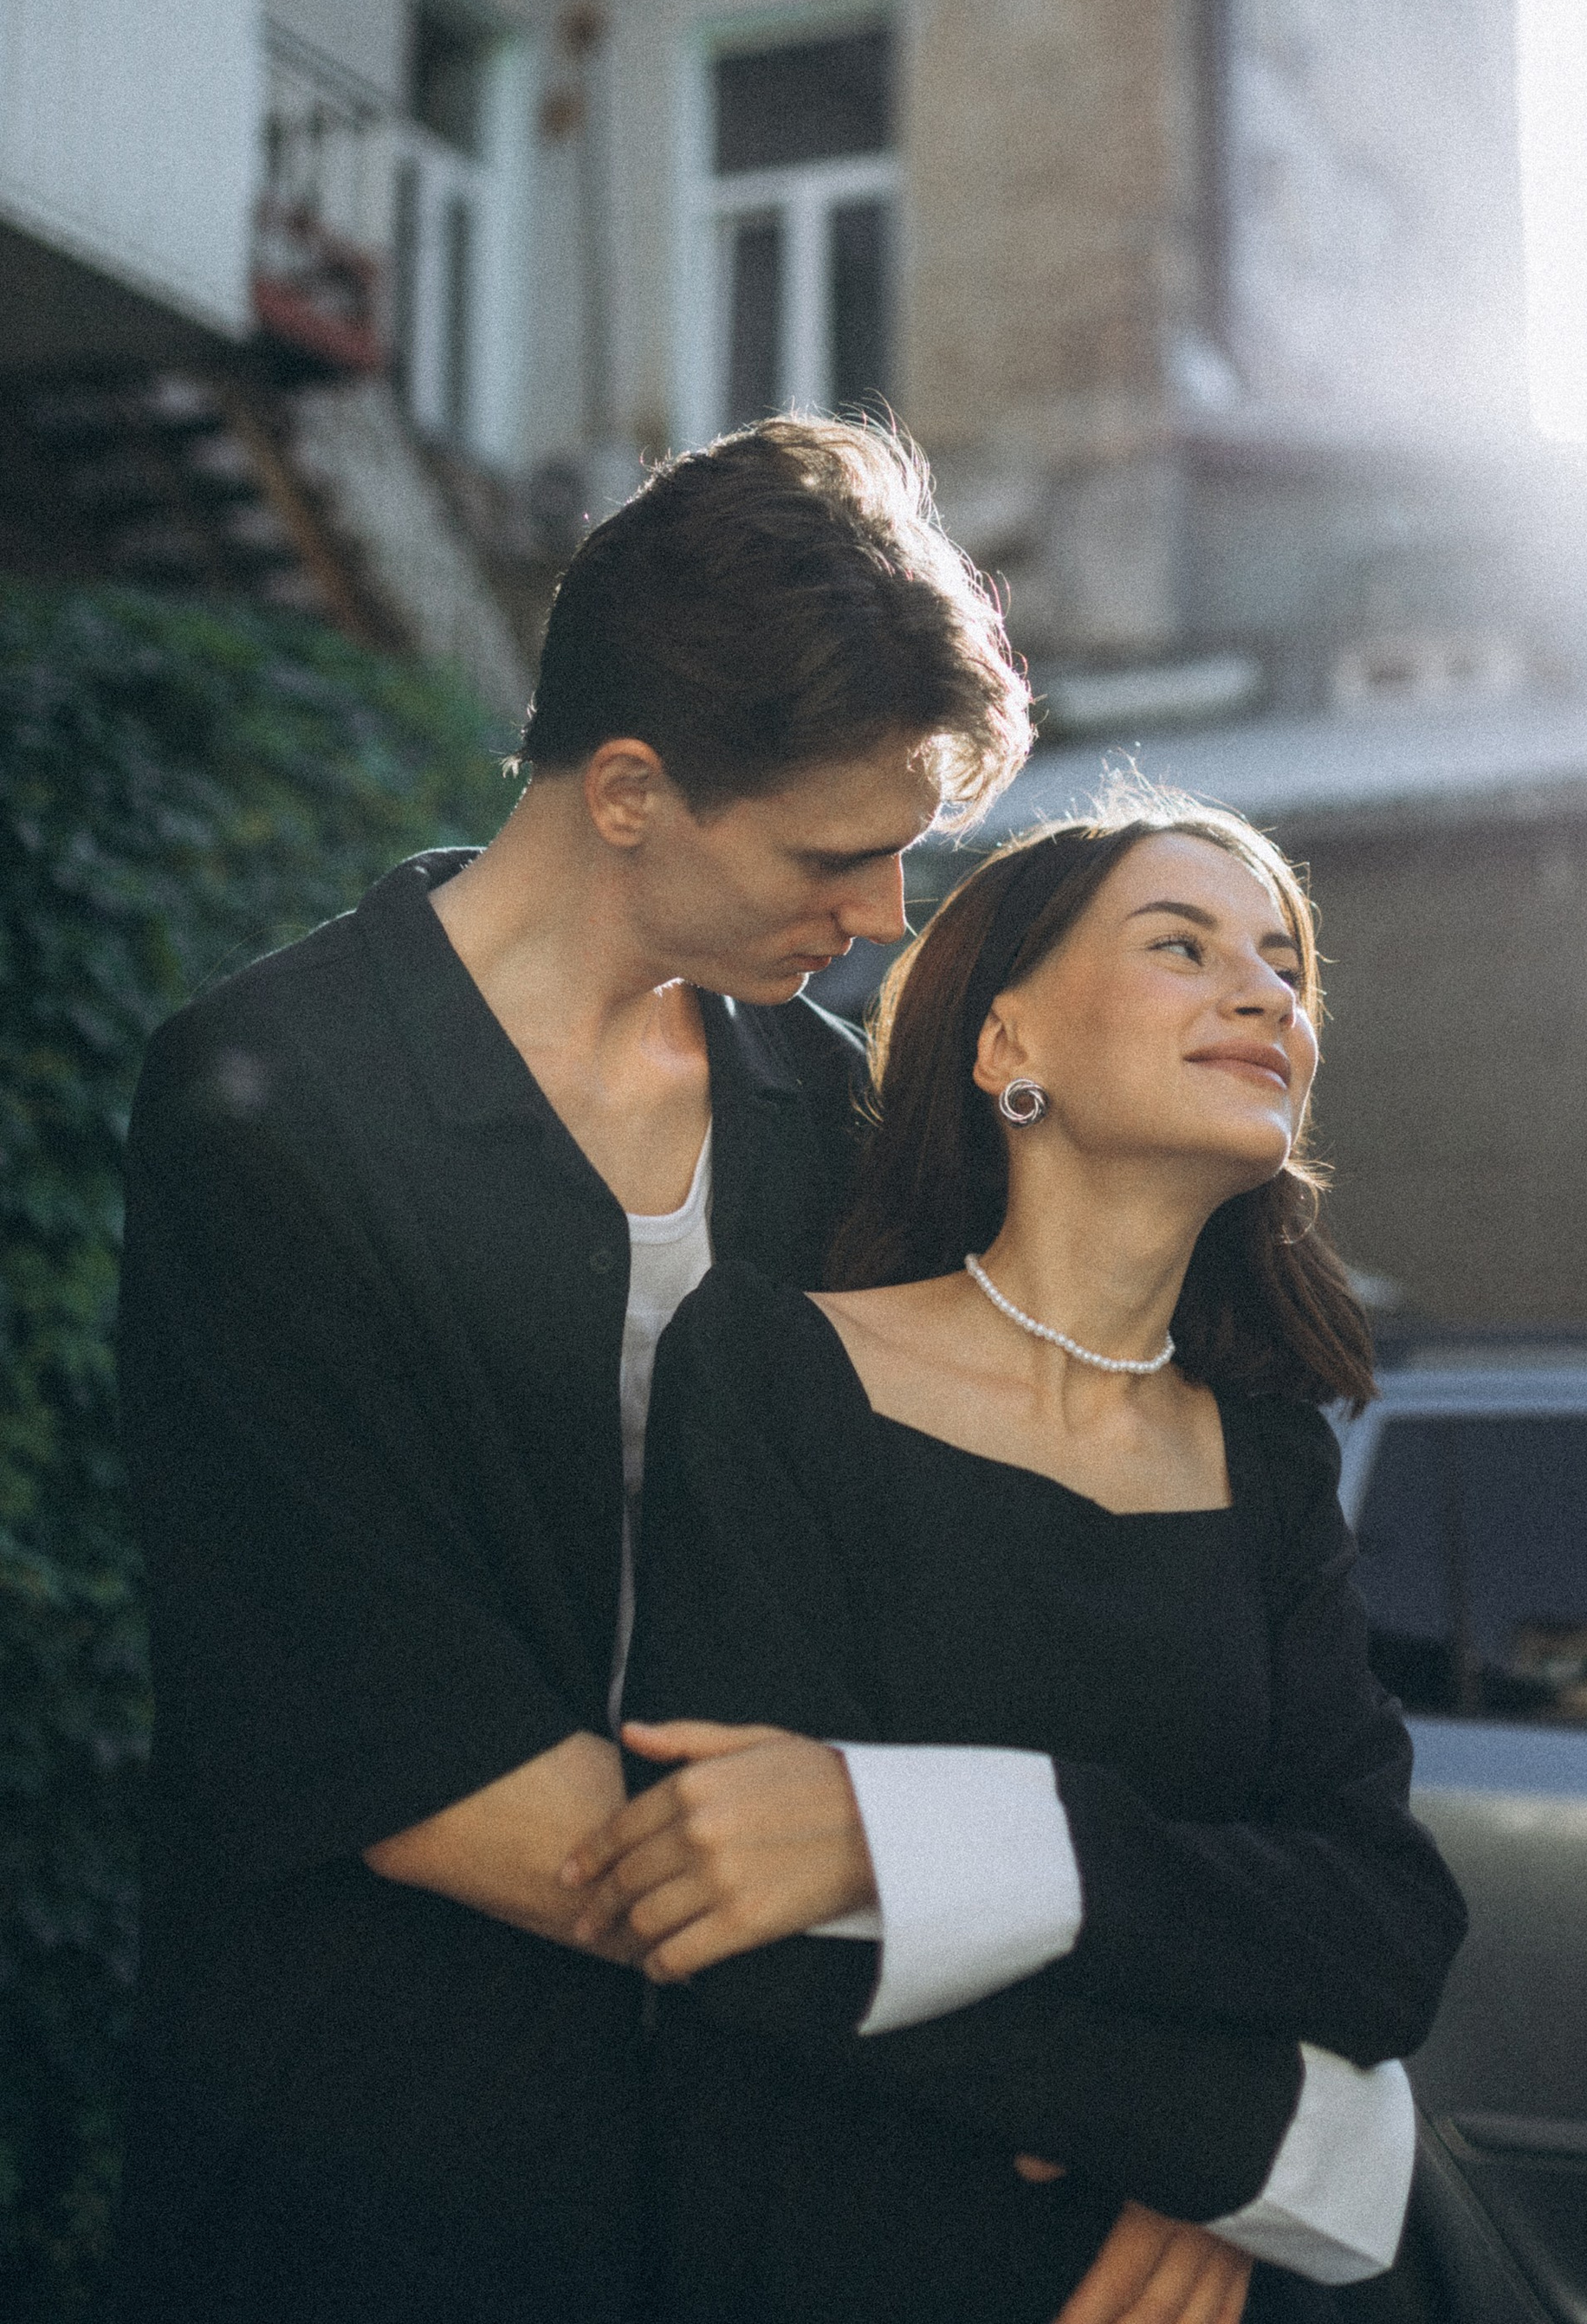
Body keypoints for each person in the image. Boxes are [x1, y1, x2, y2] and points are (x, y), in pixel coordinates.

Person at [115, 422, 1396, 2324]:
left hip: (815, 2185)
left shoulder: (833, 1112)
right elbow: (407, 1757)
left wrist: (1215, 2143)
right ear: (629, 790)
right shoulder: (278, 1105)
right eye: (837, 854)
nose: (885, 917)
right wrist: (1176, 2108)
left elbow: (1068, 1655)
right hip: (400, 2163)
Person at [577, 798, 1470, 2322]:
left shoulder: (1266, 1457)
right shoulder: (778, 1367)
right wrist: (1237, 2140)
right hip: (842, 2249)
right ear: (1007, 1051)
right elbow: (744, 1922)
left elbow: (1385, 1935)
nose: (1265, 996)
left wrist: (966, 1842)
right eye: (1181, 948)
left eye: (1285, 968)